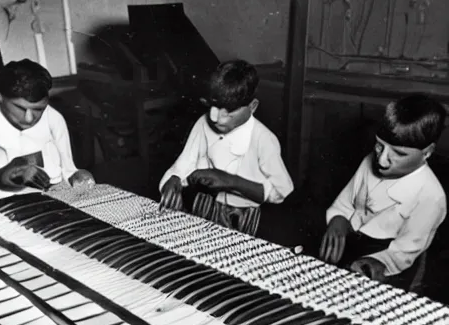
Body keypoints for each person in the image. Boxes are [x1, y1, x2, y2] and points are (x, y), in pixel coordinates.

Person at [320, 93, 447, 290]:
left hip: (392, 268)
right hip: (353, 245)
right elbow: (345, 204)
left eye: (399, 153)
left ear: (427, 152)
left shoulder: (431, 195)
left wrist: (377, 263)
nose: (382, 160)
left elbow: (405, 252)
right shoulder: (369, 161)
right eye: (380, 146)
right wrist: (339, 220)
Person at [159, 59, 293, 235]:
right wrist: (174, 179)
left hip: (244, 216)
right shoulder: (203, 123)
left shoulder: (263, 139)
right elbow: (185, 162)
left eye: (228, 110)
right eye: (212, 106)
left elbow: (280, 191)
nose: (215, 117)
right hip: (205, 206)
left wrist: (231, 181)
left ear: (252, 107)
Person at [0, 59, 94, 211]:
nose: (29, 118)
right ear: (0, 97)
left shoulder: (54, 118)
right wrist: (1, 175)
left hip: (55, 203)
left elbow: (69, 170)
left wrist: (79, 176)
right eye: (20, 108)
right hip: (1, 205)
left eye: (38, 109)